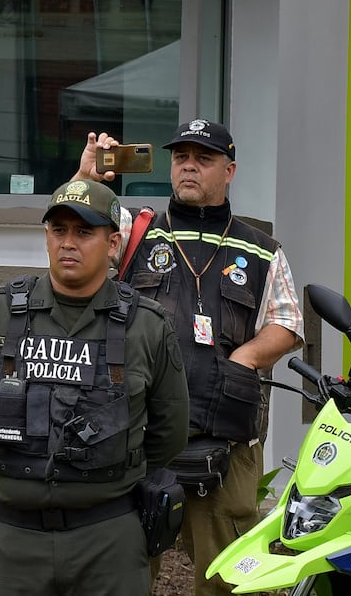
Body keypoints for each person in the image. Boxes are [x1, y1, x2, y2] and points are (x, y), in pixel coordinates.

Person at [77, 120, 303, 596]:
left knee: (227, 579)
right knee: (120, 574)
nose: (189, 167)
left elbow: (287, 322)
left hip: (225, 441)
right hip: (133, 435)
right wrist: (86, 179)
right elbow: (75, 233)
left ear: (229, 171)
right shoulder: (135, 231)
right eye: (181, 157)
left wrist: (246, 357)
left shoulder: (262, 250)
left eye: (203, 159)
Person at [0, 178, 189, 596]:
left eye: (84, 231)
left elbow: (169, 431)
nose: (68, 243)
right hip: (12, 540)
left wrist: (106, 472)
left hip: (108, 540)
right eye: (58, 230)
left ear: (113, 243)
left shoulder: (147, 326)